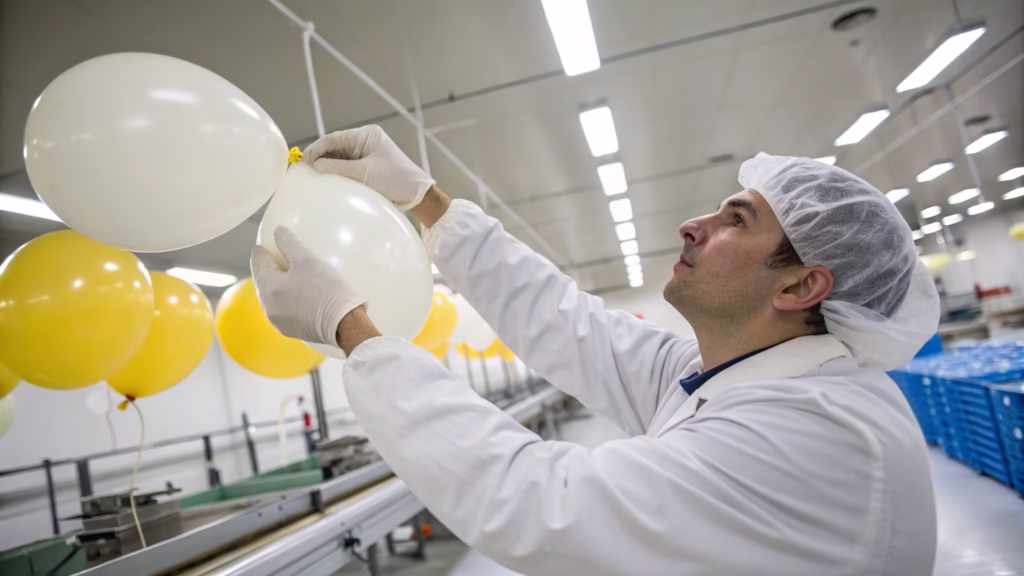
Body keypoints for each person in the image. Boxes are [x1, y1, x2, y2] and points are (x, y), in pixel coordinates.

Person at [251, 125, 941, 575]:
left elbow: (537, 501)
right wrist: (427, 201)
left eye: (737, 219)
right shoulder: (729, 377)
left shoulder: (813, 428)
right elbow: (573, 325)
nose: (693, 224)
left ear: (800, 284)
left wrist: (351, 329)